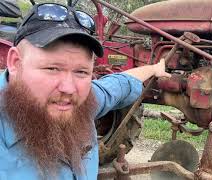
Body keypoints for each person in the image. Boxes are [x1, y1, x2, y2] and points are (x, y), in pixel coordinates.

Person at [0, 3, 171, 180]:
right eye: (52, 68)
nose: (68, 88)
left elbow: (120, 83)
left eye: (81, 72)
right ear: (14, 63)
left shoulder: (85, 101)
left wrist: (154, 69)